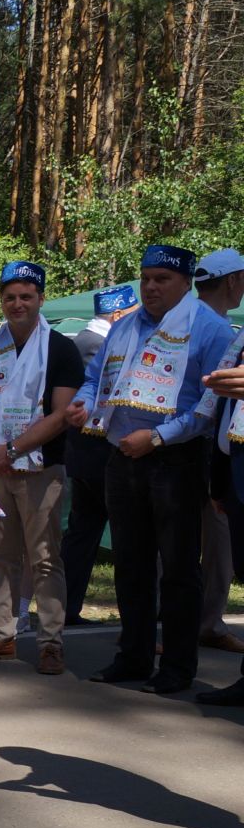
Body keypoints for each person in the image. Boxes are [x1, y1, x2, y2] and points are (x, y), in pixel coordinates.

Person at [69, 244, 233, 695]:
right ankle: (134, 656)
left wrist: (159, 437)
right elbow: (95, 375)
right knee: (130, 562)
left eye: (162, 279)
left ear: (185, 284)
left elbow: (209, 405)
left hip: (175, 459)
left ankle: (177, 667)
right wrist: (84, 403)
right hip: (121, 455)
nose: (151, 287)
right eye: (145, 278)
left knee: (179, 568)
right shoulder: (125, 327)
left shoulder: (211, 329)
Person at [0, 261, 85, 675]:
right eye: (10, 297)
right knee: (1, 554)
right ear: (1, 300)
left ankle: (51, 640)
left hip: (40, 469)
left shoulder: (60, 348)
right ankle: (1, 633)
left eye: (26, 296)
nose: (17, 304)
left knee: (45, 558)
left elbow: (62, 413)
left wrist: (12, 449)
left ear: (40, 299)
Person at [59, 283, 138, 624]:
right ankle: (135, 613)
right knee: (123, 536)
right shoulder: (98, 347)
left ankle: (67, 606)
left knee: (82, 535)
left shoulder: (78, 342)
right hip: (101, 457)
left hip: (83, 458)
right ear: (118, 314)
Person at [191, 250, 244, 653]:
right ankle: (206, 622)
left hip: (182, 449)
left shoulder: (180, 320)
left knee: (174, 544)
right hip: (208, 453)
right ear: (231, 281)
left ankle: (179, 624)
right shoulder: (222, 331)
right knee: (218, 548)